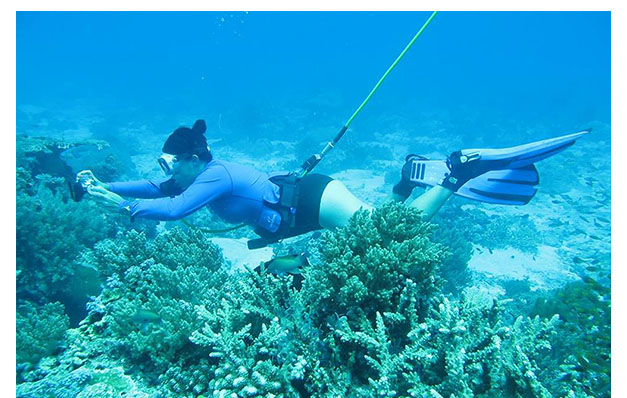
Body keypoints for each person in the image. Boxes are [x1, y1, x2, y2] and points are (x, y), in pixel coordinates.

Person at [80, 119, 588, 248]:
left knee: (396, 234)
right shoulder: (190, 177)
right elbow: (153, 188)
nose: (166, 172)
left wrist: (115, 207)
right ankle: (406, 182)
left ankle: (459, 174)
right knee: (383, 224)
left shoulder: (211, 177)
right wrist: (102, 185)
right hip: (303, 205)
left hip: (314, 201)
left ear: (192, 160)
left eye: (171, 162)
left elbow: (171, 211)